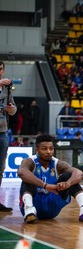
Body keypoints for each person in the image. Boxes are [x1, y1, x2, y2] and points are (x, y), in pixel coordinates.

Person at [18, 134, 83, 223]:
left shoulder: (57, 163)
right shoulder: (29, 161)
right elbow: (21, 172)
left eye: (51, 148)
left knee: (69, 176)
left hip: (52, 206)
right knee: (27, 178)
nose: (48, 151)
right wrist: (45, 185)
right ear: (37, 150)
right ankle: (29, 207)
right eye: (44, 149)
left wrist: (67, 183)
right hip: (34, 204)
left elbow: (79, 173)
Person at [0, 60, 17, 212]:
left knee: (1, 167)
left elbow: (13, 107)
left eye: (0, 69)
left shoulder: (6, 88)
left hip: (3, 131)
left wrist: (11, 109)